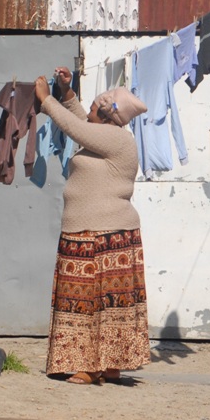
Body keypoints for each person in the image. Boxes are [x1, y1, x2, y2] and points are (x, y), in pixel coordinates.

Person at [34, 69, 150, 385]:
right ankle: (110, 365)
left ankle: (89, 366)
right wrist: (67, 91)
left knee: (88, 304)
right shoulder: (107, 135)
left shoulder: (116, 139)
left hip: (101, 235)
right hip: (96, 231)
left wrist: (47, 101)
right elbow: (84, 123)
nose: (89, 110)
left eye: (94, 107)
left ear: (107, 116)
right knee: (106, 305)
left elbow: (77, 128)